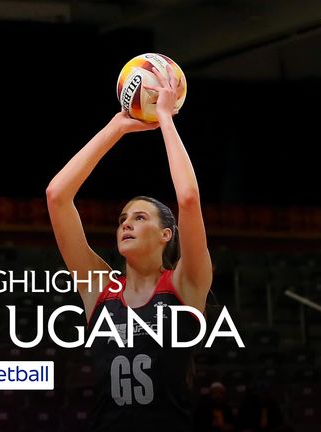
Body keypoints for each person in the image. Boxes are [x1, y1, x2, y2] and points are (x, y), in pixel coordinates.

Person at [46, 64, 212, 431]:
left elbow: (187, 198)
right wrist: (116, 128)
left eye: (139, 218)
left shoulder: (185, 284)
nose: (126, 224)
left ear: (166, 234)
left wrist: (166, 118)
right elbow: (57, 196)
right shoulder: (99, 289)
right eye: (123, 219)